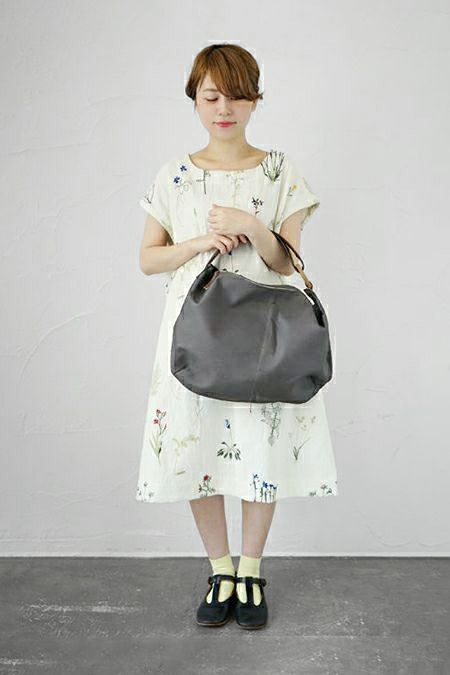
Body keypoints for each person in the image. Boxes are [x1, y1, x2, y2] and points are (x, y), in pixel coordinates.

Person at [136, 43, 338, 629]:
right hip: (193, 336)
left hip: (262, 340)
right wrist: (200, 242)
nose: (224, 109)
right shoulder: (174, 176)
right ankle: (219, 570)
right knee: (196, 448)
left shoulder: (279, 172)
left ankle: (250, 572)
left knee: (259, 451)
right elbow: (148, 259)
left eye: (237, 96)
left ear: (255, 100)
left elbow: (288, 263)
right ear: (195, 101)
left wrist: (252, 225)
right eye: (211, 97)